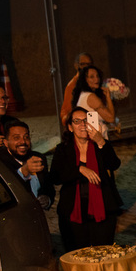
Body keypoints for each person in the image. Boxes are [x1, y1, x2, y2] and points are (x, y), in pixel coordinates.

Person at [51, 108, 122, 252]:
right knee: (78, 256)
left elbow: (114, 164)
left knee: (102, 254)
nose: (83, 124)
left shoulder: (99, 145)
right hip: (73, 213)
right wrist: (80, 169)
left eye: (86, 120)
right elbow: (56, 177)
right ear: (70, 127)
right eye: (77, 121)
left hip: (103, 212)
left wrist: (101, 141)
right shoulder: (63, 150)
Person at [1, 119, 54, 209]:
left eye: (26, 137)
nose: (23, 142)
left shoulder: (38, 158)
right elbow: (4, 192)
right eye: (16, 138)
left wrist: (47, 199)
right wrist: (24, 171)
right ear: (6, 143)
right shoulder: (0, 161)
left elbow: (48, 187)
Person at [71, 65, 116, 137]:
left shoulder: (83, 94)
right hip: (95, 139)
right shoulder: (91, 97)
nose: (96, 79)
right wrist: (108, 97)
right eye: (92, 77)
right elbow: (110, 118)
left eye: (97, 76)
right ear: (85, 80)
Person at [59, 52, 94, 127]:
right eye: (83, 64)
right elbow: (65, 113)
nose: (86, 67)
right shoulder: (72, 86)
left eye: (89, 64)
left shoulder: (94, 82)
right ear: (76, 65)